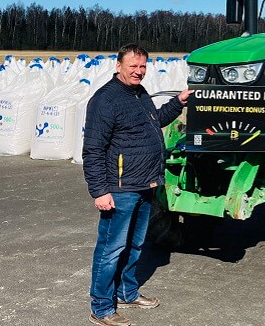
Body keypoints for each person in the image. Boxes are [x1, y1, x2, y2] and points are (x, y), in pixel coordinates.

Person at [83, 43, 193, 325]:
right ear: (118, 66)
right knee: (111, 249)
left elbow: (155, 123)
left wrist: (177, 102)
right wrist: (100, 191)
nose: (139, 71)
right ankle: (102, 307)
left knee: (135, 245)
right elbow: (93, 150)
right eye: (133, 66)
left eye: (143, 66)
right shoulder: (105, 100)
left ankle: (127, 293)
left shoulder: (139, 94)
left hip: (145, 184)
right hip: (120, 189)